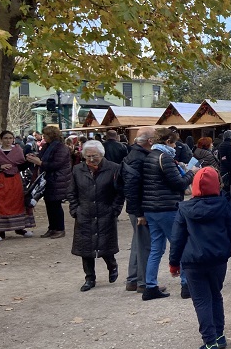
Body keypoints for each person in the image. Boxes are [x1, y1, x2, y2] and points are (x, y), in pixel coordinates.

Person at [169, 167, 231, 349]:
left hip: (193, 260)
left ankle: (209, 342)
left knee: (201, 300)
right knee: (215, 295)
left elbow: (177, 238)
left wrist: (173, 263)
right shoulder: (224, 205)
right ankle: (219, 335)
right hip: (218, 258)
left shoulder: (184, 209)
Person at [141, 128, 197, 301]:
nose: (175, 145)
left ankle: (150, 285)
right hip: (166, 207)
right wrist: (191, 173)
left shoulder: (150, 156)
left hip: (151, 208)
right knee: (179, 244)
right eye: (174, 142)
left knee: (156, 248)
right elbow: (178, 183)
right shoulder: (164, 158)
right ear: (167, 142)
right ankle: (186, 284)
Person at [68, 140, 125, 292]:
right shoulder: (77, 169)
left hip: (105, 211)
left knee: (106, 244)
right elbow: (72, 192)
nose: (91, 160)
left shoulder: (114, 168)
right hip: (84, 212)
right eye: (88, 157)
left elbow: (120, 192)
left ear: (102, 155)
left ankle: (112, 266)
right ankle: (89, 277)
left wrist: (115, 209)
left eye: (95, 156)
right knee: (85, 248)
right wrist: (75, 209)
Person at [121, 127, 155, 293]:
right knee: (144, 245)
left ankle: (133, 280)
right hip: (140, 208)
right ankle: (143, 282)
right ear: (149, 141)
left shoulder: (131, 155)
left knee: (138, 243)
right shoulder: (140, 158)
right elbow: (133, 188)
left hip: (136, 207)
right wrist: (140, 212)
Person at [26, 125, 72, 238]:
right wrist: (34, 156)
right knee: (49, 204)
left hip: (58, 179)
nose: (43, 137)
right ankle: (52, 228)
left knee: (56, 205)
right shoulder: (47, 146)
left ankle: (60, 229)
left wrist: (40, 163)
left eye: (45, 135)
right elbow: (41, 157)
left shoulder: (61, 148)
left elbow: (56, 164)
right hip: (48, 179)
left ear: (52, 135)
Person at [0, 130, 35, 242]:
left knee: (17, 202)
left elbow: (20, 166)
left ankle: (20, 228)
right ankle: (2, 232)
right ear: (1, 139)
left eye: (10, 138)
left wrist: (29, 160)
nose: (8, 140)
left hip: (15, 180)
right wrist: (0, 167)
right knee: (1, 204)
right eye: (6, 138)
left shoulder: (18, 150)